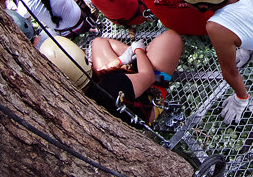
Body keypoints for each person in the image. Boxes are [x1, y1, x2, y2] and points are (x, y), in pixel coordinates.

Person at [38, 32, 182, 125]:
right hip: (149, 99)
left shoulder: (76, 94)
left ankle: (136, 61)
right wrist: (138, 50)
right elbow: (148, 77)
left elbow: (102, 75)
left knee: (98, 42)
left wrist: (121, 61)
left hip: (122, 88)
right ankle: (143, 59)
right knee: (171, 38)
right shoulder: (112, 83)